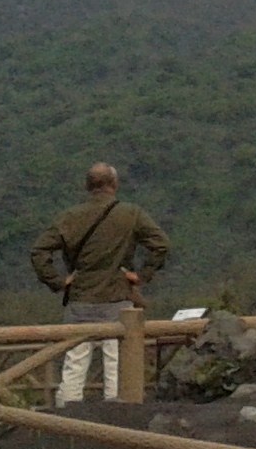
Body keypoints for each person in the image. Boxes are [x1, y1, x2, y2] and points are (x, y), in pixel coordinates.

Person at [30, 162, 171, 404]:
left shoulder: (69, 217)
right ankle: (117, 412)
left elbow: (39, 251)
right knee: (115, 358)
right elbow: (161, 244)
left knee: (75, 360)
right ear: (114, 185)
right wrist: (142, 275)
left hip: (80, 298)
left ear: (88, 186)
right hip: (117, 296)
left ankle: (68, 413)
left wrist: (59, 281)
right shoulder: (131, 214)